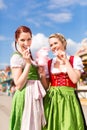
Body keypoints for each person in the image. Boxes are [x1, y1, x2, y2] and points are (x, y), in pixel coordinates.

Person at [39, 33, 85, 130]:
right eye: (51, 45)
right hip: (52, 100)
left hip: (69, 99)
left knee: (69, 125)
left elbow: (75, 79)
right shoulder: (49, 63)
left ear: (63, 43)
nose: (53, 47)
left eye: (55, 43)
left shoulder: (74, 59)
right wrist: (42, 74)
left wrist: (66, 61)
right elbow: (46, 86)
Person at [9, 25, 46, 130]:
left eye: (29, 39)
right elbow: (19, 85)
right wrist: (28, 64)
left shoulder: (30, 55)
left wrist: (41, 73)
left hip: (35, 95)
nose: (26, 43)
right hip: (26, 95)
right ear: (16, 40)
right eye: (22, 40)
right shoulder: (16, 57)